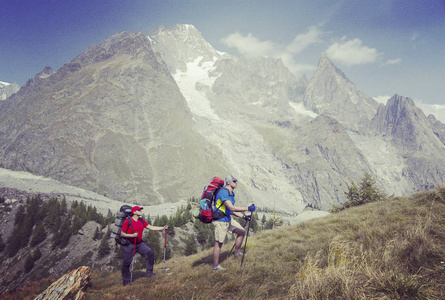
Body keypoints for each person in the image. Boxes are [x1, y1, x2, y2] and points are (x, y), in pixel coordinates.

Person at [212, 174, 255, 271]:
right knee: (219, 243)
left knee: (241, 232)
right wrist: (248, 208)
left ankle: (237, 252)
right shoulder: (223, 192)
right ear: (229, 182)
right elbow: (231, 207)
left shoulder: (230, 193)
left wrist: (244, 216)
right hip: (220, 221)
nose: (236, 183)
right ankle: (215, 266)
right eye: (234, 181)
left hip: (227, 218)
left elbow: (231, 211)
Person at [120, 206, 168, 286]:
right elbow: (122, 233)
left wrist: (162, 228)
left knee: (150, 253)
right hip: (129, 244)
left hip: (139, 243)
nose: (141, 211)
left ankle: (149, 273)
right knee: (126, 263)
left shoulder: (141, 220)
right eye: (139, 210)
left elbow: (150, 227)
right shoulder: (128, 221)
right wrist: (132, 235)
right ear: (134, 212)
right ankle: (126, 281)